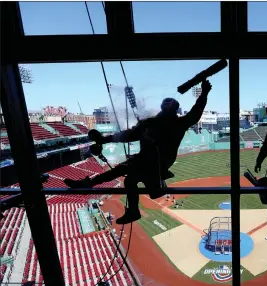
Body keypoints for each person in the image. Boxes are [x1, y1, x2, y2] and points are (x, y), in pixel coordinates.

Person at [64, 80, 212, 224]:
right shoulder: (168, 124)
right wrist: (204, 94)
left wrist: (203, 94)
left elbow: (128, 135)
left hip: (152, 162)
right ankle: (105, 193)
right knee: (129, 179)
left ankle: (92, 185)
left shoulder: (159, 123)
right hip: (152, 162)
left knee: (125, 173)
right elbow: (129, 135)